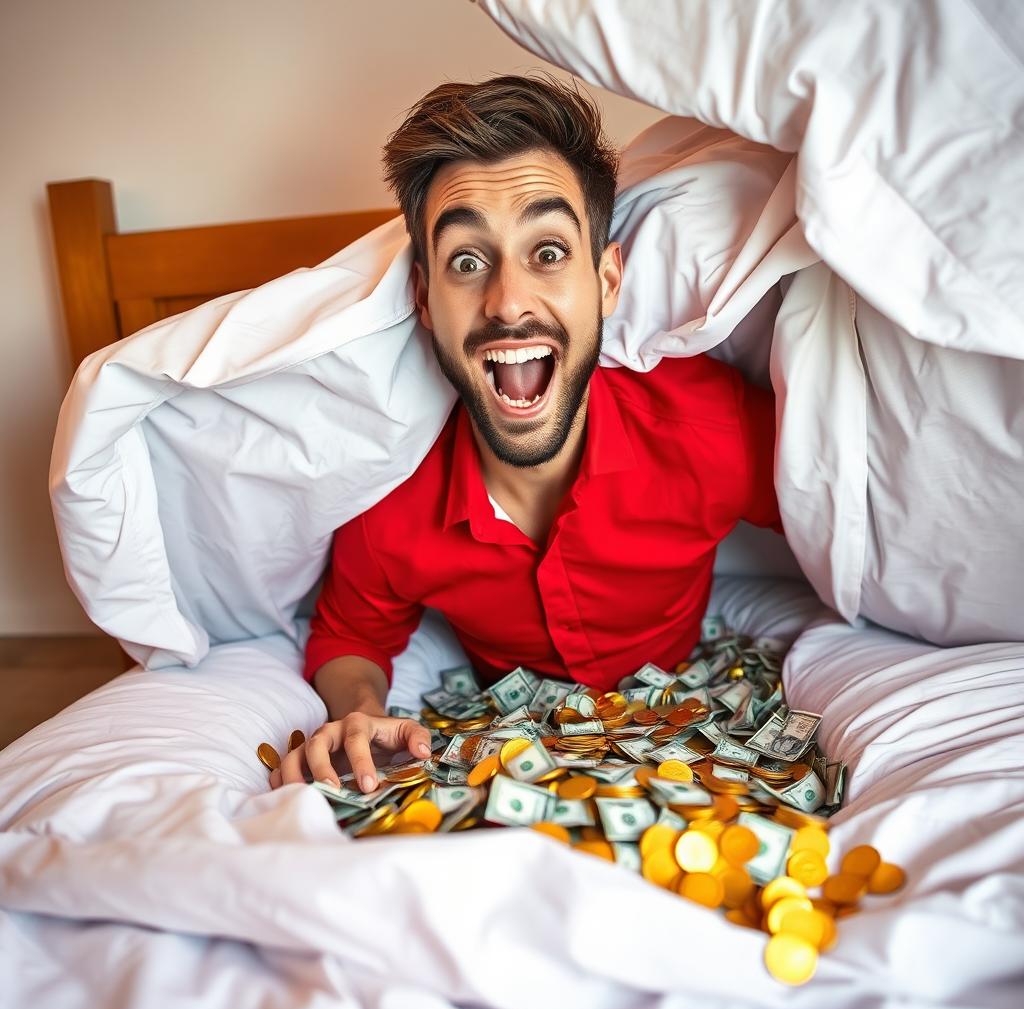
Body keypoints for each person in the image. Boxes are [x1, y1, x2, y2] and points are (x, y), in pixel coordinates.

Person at [272, 72, 782, 793]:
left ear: (607, 281)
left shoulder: (710, 429)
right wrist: (358, 711)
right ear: (423, 299)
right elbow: (352, 636)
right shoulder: (386, 495)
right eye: (467, 261)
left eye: (547, 253)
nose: (509, 302)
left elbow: (857, 532)